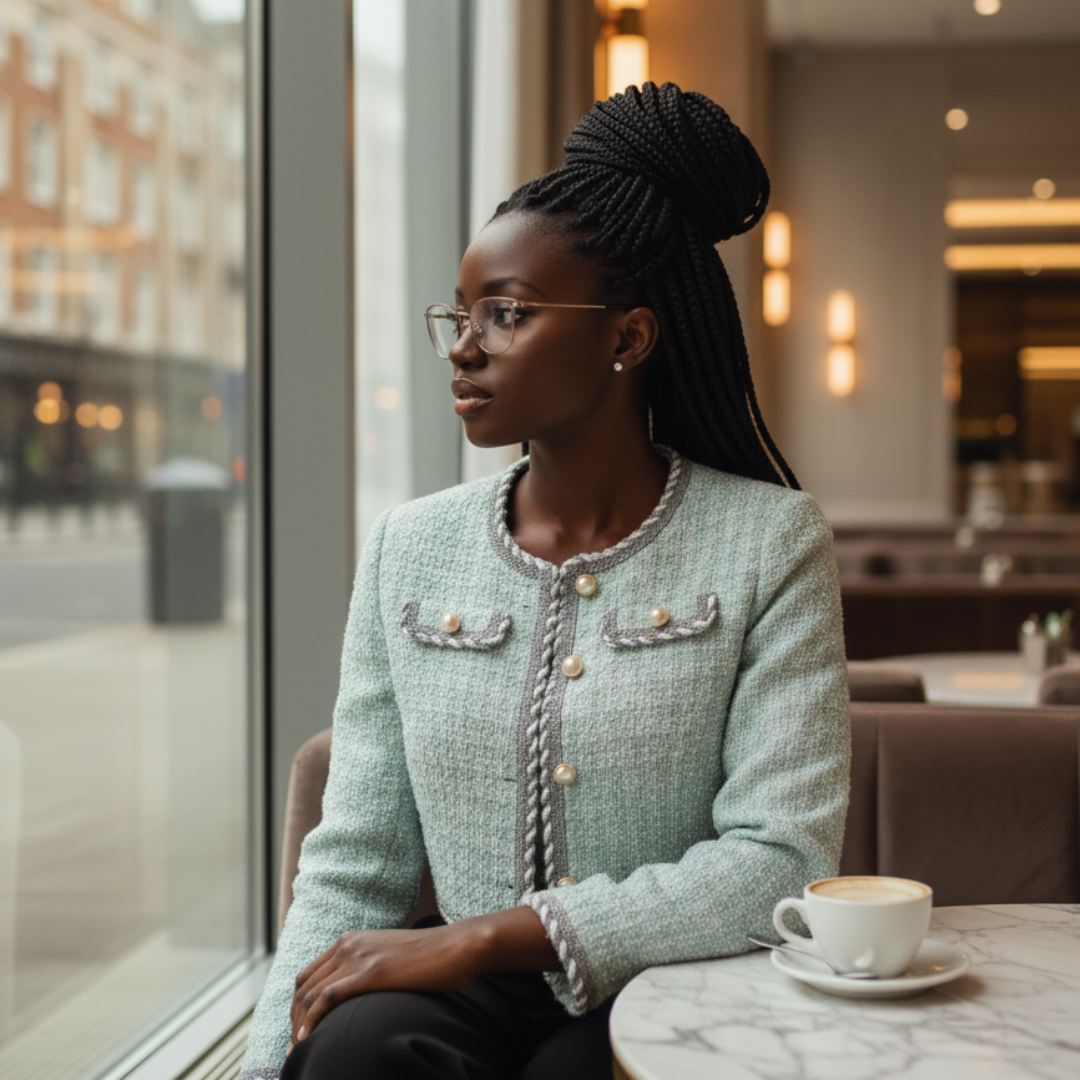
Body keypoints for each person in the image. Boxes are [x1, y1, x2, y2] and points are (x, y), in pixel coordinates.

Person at [240, 82, 849, 1080]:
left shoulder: (770, 541)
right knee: (355, 1048)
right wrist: (266, 1068)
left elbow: (779, 864)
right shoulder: (409, 546)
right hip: (455, 992)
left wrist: (486, 935)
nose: (463, 347)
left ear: (628, 338)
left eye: (508, 314)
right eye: (460, 314)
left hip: (670, 978)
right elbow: (353, 867)